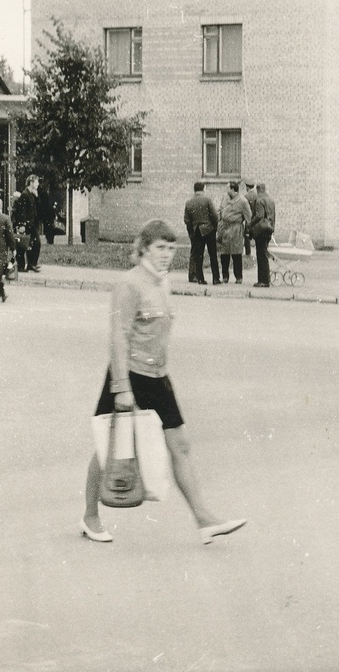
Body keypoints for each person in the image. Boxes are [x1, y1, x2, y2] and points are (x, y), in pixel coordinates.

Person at [81, 219, 246, 544]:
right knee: (107, 448)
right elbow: (118, 336)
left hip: (157, 377)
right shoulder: (129, 284)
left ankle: (204, 520)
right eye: (160, 248)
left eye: (171, 248)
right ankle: (90, 516)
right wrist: (122, 387)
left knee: (180, 446)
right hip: (128, 375)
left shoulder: (162, 282)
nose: (167, 255)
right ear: (144, 247)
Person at [183, 182, 221, 285]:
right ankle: (216, 279)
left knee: (199, 255)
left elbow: (186, 220)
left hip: (197, 231)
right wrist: (215, 228)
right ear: (203, 189)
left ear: (194, 189)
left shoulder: (189, 202)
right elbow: (214, 215)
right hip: (209, 230)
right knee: (213, 255)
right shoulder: (207, 200)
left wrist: (193, 230)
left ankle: (200, 279)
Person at [217, 182, 252, 283]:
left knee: (236, 254)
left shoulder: (243, 201)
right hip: (224, 228)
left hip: (236, 229)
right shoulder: (225, 198)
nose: (226, 191)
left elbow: (248, 217)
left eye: (228, 189)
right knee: (224, 254)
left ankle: (238, 277)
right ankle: (225, 277)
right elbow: (220, 210)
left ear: (233, 189)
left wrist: (247, 231)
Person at [12, 174, 42, 272]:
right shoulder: (25, 194)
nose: (38, 184)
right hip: (27, 224)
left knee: (31, 244)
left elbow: (37, 208)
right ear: (31, 183)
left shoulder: (32, 194)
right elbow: (22, 211)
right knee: (28, 244)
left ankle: (31, 263)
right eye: (37, 182)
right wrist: (22, 224)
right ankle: (26, 265)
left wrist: (37, 197)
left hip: (31, 224)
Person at [249, 182, 276, 288]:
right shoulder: (271, 200)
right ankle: (266, 279)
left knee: (261, 255)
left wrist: (250, 224)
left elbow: (259, 215)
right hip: (269, 229)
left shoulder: (259, 200)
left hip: (261, 230)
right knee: (264, 253)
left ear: (258, 190)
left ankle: (263, 280)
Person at [242, 178, 257, 257]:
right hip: (257, 220)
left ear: (247, 187)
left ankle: (248, 254)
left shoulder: (246, 197)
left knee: (247, 237)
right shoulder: (257, 195)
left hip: (249, 221)